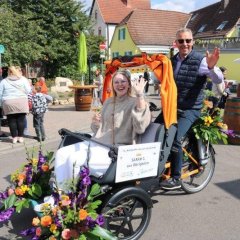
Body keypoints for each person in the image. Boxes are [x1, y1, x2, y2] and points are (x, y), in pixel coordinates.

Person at [54, 70, 151, 190]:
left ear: (129, 84)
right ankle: (59, 194)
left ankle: (69, 196)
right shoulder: (109, 102)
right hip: (98, 143)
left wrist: (140, 95)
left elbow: (140, 127)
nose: (120, 85)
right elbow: (99, 129)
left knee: (73, 159)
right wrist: (95, 123)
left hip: (117, 149)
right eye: (116, 82)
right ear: (112, 85)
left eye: (123, 81)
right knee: (62, 153)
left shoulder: (135, 102)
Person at [156, 28, 224, 190]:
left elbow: (217, 79)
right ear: (176, 43)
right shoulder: (171, 61)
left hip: (191, 109)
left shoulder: (201, 61)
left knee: (175, 138)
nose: (184, 44)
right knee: (153, 131)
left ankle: (176, 177)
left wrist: (212, 67)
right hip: (172, 107)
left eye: (188, 40)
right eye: (181, 41)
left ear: (193, 42)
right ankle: (162, 166)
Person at [0, 66, 32, 143]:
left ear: (8, 72)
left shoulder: (4, 81)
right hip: (21, 101)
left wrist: (1, 104)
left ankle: (14, 138)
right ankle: (20, 137)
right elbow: (28, 91)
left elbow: (0, 93)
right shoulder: (23, 79)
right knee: (21, 120)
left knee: (11, 120)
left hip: (8, 102)